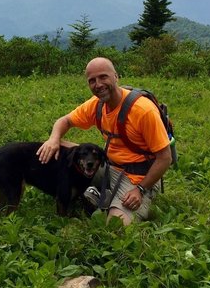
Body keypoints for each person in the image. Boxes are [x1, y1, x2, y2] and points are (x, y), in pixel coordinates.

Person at [37, 57, 172, 225]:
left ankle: (108, 198)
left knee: (116, 227)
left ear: (116, 76)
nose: (98, 84)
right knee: (58, 145)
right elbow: (65, 121)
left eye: (103, 77)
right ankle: (101, 195)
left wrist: (140, 189)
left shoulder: (143, 111)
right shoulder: (97, 105)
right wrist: (53, 139)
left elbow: (165, 158)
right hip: (108, 166)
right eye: (92, 80)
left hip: (138, 177)